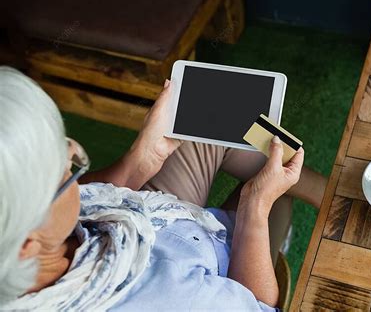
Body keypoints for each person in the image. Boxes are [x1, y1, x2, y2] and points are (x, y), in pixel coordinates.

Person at [0, 66, 326, 310]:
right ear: (27, 245)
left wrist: (139, 162)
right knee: (277, 194)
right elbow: (259, 306)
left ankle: (330, 193)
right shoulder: (168, 298)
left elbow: (83, 199)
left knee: (208, 109)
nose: (72, 156)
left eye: (62, 146)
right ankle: (328, 207)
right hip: (215, 257)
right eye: (64, 173)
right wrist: (254, 206)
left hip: (151, 218)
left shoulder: (25, 241)